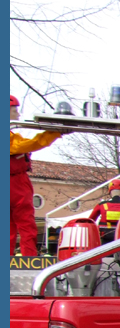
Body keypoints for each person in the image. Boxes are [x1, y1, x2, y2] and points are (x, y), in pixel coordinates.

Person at [10, 95, 63, 256]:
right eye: (14, 111)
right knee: (26, 225)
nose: (18, 115)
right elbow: (32, 143)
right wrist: (53, 133)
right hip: (16, 183)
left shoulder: (12, 137)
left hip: (15, 181)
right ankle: (29, 258)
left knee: (10, 228)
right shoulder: (11, 140)